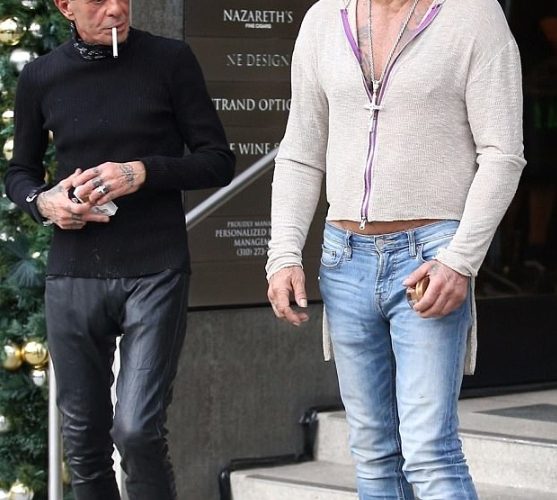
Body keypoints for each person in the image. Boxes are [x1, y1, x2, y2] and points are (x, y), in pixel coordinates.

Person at [266, 0, 525, 498]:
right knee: (373, 453)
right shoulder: (324, 18)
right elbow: (300, 152)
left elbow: (502, 154)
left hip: (430, 259)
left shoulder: (474, 15)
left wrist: (459, 260)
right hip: (344, 258)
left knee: (429, 452)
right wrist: (284, 253)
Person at [4, 0, 235, 499]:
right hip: (73, 270)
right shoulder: (41, 76)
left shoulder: (170, 60)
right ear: (65, 6)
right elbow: (19, 172)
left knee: (137, 430)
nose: (116, 10)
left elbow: (218, 161)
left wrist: (141, 172)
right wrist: (44, 203)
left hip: (156, 267)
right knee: (83, 441)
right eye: (97, 1)